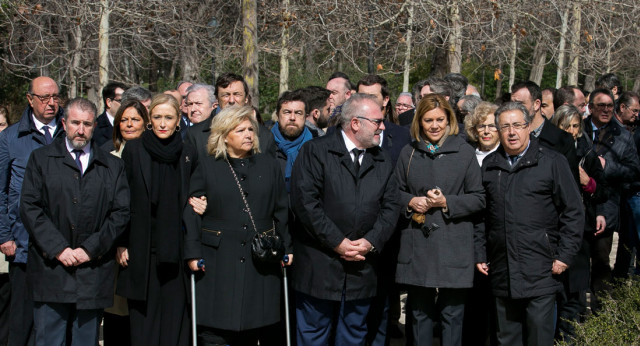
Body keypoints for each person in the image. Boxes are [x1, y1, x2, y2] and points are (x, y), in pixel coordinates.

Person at [290, 93, 400, 345]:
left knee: (353, 334)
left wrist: (370, 241)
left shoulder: (382, 159)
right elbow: (306, 205)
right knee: (313, 336)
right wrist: (337, 242)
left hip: (362, 267)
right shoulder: (315, 151)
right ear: (356, 123)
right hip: (319, 266)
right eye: (377, 121)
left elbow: (391, 206)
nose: (382, 127)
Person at [20, 97, 130, 346]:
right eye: (75, 123)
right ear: (64, 123)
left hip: (92, 271)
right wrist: (58, 248)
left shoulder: (112, 165)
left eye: (87, 124)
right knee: (49, 340)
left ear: (95, 126)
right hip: (51, 271)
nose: (81, 130)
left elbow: (120, 213)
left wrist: (89, 249)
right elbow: (29, 207)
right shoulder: (41, 159)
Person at [475, 102, 584, 345]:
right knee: (506, 339)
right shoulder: (490, 166)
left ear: (528, 128)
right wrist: (480, 252)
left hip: (541, 268)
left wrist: (564, 256)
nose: (511, 132)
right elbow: (482, 216)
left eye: (517, 125)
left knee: (538, 337)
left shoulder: (552, 161)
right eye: (505, 127)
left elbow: (573, 211)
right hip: (502, 268)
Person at [184, 105, 291, 345]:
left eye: (250, 130)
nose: (248, 135)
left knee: (253, 327)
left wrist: (287, 246)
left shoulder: (269, 165)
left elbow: (281, 209)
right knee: (215, 329)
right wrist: (192, 252)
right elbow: (192, 211)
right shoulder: (208, 165)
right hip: (217, 257)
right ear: (224, 135)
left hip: (259, 259)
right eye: (240, 130)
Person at [394, 94, 485, 346]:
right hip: (418, 244)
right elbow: (394, 192)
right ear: (419, 122)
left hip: (453, 244)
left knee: (452, 315)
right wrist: (411, 202)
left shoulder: (465, 152)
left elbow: (479, 198)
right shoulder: (408, 153)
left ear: (449, 121)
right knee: (419, 314)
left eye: (440, 120)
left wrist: (448, 203)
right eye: (428, 120)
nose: (434, 126)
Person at [116, 94, 190, 346]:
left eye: (168, 118)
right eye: (157, 117)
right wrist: (121, 243)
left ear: (178, 119)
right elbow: (122, 200)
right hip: (142, 248)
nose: (162, 123)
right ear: (149, 120)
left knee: (173, 323)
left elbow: (196, 190)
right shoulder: (135, 150)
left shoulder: (187, 151)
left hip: (176, 250)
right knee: (143, 326)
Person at [0, 76, 65, 346]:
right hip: (23, 244)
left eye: (56, 97)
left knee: (54, 323)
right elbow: (1, 190)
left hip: (63, 244)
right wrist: (4, 234)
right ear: (29, 99)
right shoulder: (11, 138)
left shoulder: (70, 131)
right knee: (22, 321)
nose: (51, 103)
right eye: (44, 98)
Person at [552, 105, 609, 340]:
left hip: (580, 229)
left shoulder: (587, 153)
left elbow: (603, 190)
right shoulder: (548, 152)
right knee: (556, 289)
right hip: (554, 227)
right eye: (566, 126)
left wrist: (589, 183)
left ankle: (569, 336)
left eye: (576, 126)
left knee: (575, 288)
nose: (572, 131)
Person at [95, 81, 128, 146]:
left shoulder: (133, 126)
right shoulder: (96, 128)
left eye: (128, 101)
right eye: (122, 101)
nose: (126, 105)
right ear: (109, 102)